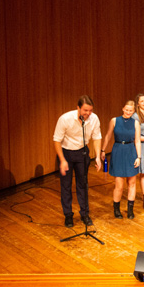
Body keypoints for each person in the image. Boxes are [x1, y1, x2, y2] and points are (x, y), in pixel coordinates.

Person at [53, 95, 102, 228]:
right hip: (66, 153)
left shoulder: (94, 118)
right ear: (78, 108)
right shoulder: (65, 119)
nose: (88, 113)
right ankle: (68, 215)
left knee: (83, 184)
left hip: (82, 152)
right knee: (66, 185)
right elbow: (57, 140)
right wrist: (62, 160)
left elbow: (97, 137)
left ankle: (84, 214)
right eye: (85, 110)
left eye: (90, 110)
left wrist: (97, 156)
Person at [100, 100, 141, 220]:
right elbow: (108, 135)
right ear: (123, 108)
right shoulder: (114, 120)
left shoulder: (136, 123)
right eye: (126, 109)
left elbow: (138, 141)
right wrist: (103, 150)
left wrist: (139, 157)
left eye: (131, 110)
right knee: (119, 184)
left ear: (133, 111)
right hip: (118, 150)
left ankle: (130, 210)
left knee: (132, 183)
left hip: (130, 151)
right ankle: (116, 209)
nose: (128, 112)